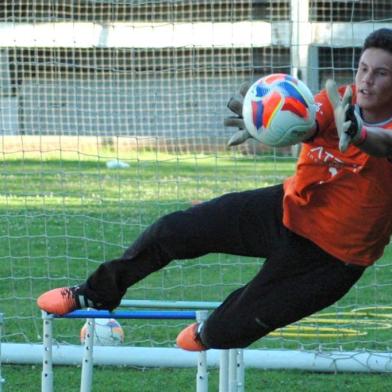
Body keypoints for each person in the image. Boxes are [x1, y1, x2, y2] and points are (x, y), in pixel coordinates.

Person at [37, 28, 392, 351]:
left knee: (224, 331)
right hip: (286, 209)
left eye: (381, 73)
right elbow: (307, 121)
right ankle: (95, 294)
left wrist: (359, 134)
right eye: (363, 68)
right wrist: (265, 121)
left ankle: (211, 333)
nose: (366, 80)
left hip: (331, 257)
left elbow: (382, 144)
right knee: (173, 230)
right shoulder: (338, 101)